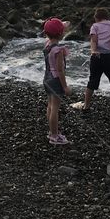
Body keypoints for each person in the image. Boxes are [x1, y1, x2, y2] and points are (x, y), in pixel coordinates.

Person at [83, 7, 110, 118]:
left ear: (96, 18)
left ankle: (86, 106)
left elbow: (94, 40)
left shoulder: (95, 26)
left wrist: (93, 51)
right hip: (109, 57)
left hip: (96, 56)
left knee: (92, 81)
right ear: (108, 17)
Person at [42, 17, 71, 145]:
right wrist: (65, 87)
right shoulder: (59, 50)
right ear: (61, 34)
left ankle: (51, 131)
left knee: (50, 106)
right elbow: (60, 71)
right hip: (55, 80)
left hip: (46, 78)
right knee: (55, 109)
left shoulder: (47, 44)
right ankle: (54, 136)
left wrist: (62, 25)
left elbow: (54, 30)